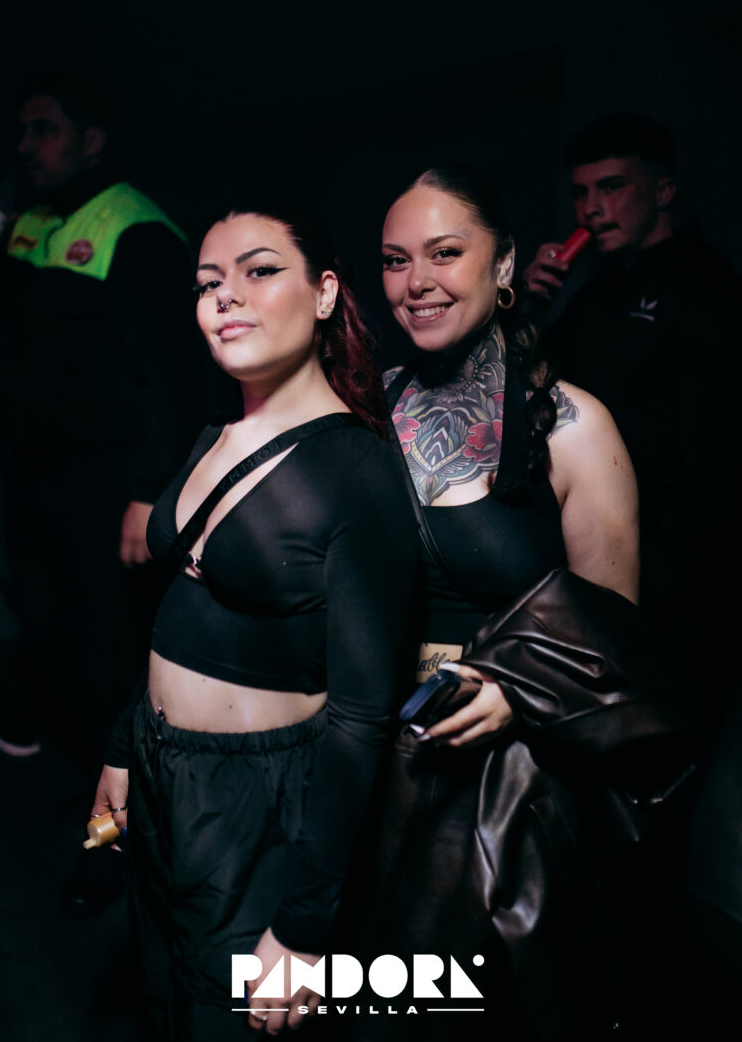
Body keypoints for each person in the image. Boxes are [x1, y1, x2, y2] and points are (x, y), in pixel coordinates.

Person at [339, 161, 678, 1042]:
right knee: (370, 1008)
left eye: (445, 253)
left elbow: (614, 636)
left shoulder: (572, 425)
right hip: (364, 767)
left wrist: (515, 688)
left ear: (503, 265)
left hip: (500, 796)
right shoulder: (361, 416)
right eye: (395, 260)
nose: (416, 281)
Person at [91, 201, 418, 1039]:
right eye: (208, 284)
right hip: (163, 772)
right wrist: (126, 748)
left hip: (262, 807)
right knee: (165, 991)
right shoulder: (215, 432)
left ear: (324, 293)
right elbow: (182, 609)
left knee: (232, 1018)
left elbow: (362, 717)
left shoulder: (357, 469)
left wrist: (306, 925)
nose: (225, 296)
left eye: (259, 271)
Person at [0, 69, 209, 916]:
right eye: (23, 132)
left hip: (108, 487)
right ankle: (94, 808)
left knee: (114, 668)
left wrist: (149, 493)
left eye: (44, 130)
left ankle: (123, 846)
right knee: (53, 652)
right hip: (34, 477)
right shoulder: (29, 223)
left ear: (92, 140)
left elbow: (172, 375)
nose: (26, 147)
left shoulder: (133, 228)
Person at [522, 113, 741, 730]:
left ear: (663, 191)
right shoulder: (596, 293)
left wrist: (661, 589)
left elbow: (714, 458)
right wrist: (525, 305)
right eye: (580, 192)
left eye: (612, 187)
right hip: (596, 564)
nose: (592, 208)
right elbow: (529, 387)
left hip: (682, 580)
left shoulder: (708, 287)